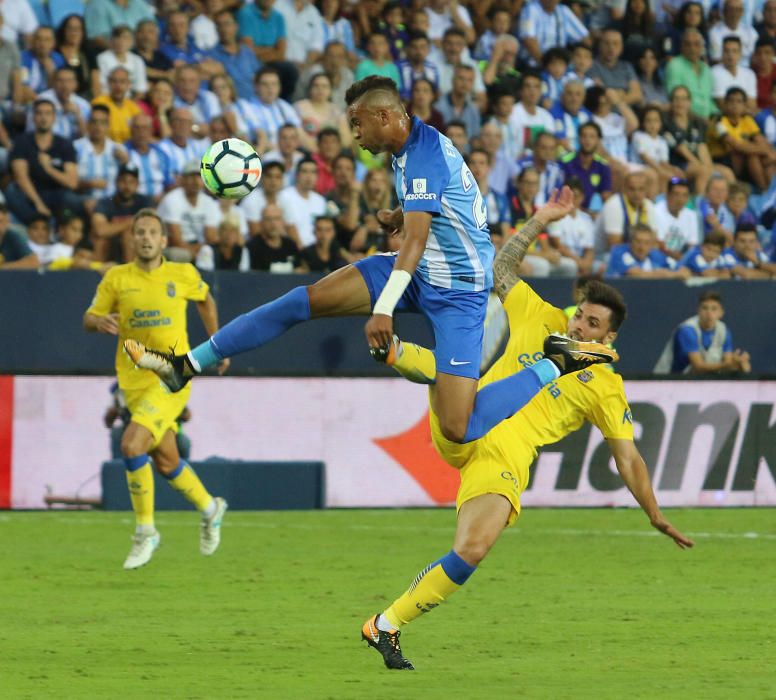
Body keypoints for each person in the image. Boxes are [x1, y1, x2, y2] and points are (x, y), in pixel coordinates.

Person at [125, 79, 616, 449]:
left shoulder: (420, 157)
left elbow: (417, 240)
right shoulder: (409, 148)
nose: (355, 136)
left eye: (358, 124)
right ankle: (186, 366)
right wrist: (401, 213)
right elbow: (431, 214)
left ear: (384, 117)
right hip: (420, 273)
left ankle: (557, 362)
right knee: (302, 302)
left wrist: (384, 307)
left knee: (458, 425)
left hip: (461, 294)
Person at [361, 201, 693, 671]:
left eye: (592, 324)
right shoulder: (544, 316)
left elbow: (629, 458)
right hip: (468, 420)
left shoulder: (605, 385)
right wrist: (539, 221)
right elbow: (500, 268)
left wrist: (654, 513)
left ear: (609, 338)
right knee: (454, 370)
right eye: (580, 315)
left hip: (503, 457)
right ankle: (393, 350)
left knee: (471, 551)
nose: (578, 324)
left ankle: (385, 625)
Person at [83, 208, 228, 570]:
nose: (146, 238)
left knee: (131, 444)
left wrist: (216, 344)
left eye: (152, 232)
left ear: (164, 240)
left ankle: (145, 531)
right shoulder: (116, 279)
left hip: (171, 377)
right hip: (133, 382)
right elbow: (88, 317)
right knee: (166, 461)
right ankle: (211, 508)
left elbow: (205, 301)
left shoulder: (182, 274)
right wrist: (98, 320)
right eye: (140, 232)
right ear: (132, 239)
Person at [6, 99, 80, 225]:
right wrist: (38, 203)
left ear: (54, 118)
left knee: (74, 201)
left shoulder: (64, 144)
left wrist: (48, 169)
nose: (43, 118)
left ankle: (46, 226)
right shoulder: (22, 142)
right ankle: (39, 224)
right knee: (11, 190)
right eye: (39, 113)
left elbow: (72, 182)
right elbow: (21, 177)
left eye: (48, 113)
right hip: (30, 194)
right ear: (33, 117)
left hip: (57, 194)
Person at [654, 291, 751, 374]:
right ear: (698, 311)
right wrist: (728, 364)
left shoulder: (724, 331)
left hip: (696, 383)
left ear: (721, 313)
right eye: (704, 308)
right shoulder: (687, 330)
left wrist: (739, 364)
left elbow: (727, 364)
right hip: (666, 381)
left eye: (714, 309)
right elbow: (699, 367)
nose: (709, 313)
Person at [708, 87, 776, 191]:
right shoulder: (718, 122)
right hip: (723, 161)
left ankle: (771, 194)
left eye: (739, 101)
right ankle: (764, 190)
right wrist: (768, 151)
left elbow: (762, 142)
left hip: (744, 162)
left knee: (767, 161)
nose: (735, 104)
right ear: (725, 104)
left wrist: (767, 152)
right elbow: (736, 145)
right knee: (752, 155)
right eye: (731, 101)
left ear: (744, 106)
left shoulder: (747, 120)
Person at [158, 159, 221, 260]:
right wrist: (195, 252)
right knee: (180, 254)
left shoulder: (209, 202)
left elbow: (211, 237)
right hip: (170, 246)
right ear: (182, 179)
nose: (196, 182)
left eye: (199, 177)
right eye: (191, 177)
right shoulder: (172, 199)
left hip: (199, 247)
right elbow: (175, 240)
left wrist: (200, 250)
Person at [91, 163, 153, 263]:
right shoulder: (106, 202)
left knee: (128, 235)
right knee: (99, 240)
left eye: (131, 182)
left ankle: (133, 274)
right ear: (116, 182)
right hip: (110, 246)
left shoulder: (145, 201)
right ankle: (97, 276)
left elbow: (151, 226)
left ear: (137, 184)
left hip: (137, 244)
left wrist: (114, 228)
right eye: (123, 181)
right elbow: (100, 230)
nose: (127, 186)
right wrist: (132, 222)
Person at [517, 0, 589, 67]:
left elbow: (585, 38)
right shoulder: (530, 9)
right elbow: (528, 39)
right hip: (533, 65)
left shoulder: (563, 11)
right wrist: (546, 65)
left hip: (559, 67)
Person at [560, 122, 612, 211]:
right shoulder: (564, 162)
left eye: (592, 137)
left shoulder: (603, 165)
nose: (587, 140)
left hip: (593, 214)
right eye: (584, 136)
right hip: (567, 210)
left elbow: (606, 195)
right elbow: (560, 194)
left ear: (598, 140)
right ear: (579, 139)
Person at [547, 177, 595, 275]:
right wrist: (579, 262)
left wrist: (586, 263)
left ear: (582, 197)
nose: (572, 200)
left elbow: (589, 248)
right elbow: (557, 244)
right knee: (572, 266)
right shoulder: (555, 215)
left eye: (576, 196)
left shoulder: (587, 219)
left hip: (581, 259)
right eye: (569, 196)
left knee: (601, 267)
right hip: (562, 257)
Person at [665, 29, 716, 120]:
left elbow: (709, 101)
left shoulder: (706, 69)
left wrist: (718, 118)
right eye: (688, 44)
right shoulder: (674, 65)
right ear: (682, 47)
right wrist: (702, 121)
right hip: (688, 119)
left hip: (708, 119)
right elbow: (677, 101)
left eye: (696, 44)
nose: (692, 48)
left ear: (701, 47)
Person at [606, 224, 690, 278]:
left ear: (651, 244)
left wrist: (670, 274)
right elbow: (636, 275)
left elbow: (684, 271)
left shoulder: (655, 254)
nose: (642, 247)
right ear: (630, 242)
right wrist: (663, 274)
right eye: (638, 241)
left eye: (647, 243)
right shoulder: (619, 252)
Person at [276, 157, 327, 247]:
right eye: (304, 171)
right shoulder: (284, 196)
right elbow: (286, 229)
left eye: (313, 172)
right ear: (297, 175)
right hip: (293, 249)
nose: (309, 176)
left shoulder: (320, 201)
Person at [124, 113, 174, 202]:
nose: (141, 132)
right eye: (137, 128)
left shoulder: (161, 154)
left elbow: (168, 183)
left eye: (145, 128)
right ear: (131, 130)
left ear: (151, 131)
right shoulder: (124, 152)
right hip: (134, 202)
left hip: (160, 200)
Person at [91, 66, 143, 143]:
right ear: (108, 83)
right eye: (114, 81)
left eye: (122, 82)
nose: (118, 85)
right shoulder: (98, 103)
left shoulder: (134, 108)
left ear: (128, 85)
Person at [653, 177, 699, 258]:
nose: (680, 199)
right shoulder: (656, 211)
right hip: (659, 257)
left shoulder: (691, 215)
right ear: (667, 195)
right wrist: (681, 259)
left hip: (681, 259)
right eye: (676, 194)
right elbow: (659, 244)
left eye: (684, 195)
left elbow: (692, 245)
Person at [712, 36, 757, 114]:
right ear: (722, 53)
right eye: (726, 51)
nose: (730, 55)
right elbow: (721, 103)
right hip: (723, 117)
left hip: (746, 117)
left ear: (740, 54)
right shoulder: (714, 72)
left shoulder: (749, 74)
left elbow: (752, 104)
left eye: (734, 51)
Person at [247, 203, 298, 272]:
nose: (273, 223)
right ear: (261, 222)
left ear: (283, 222)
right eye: (268, 219)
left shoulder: (290, 245)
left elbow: (299, 269)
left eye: (277, 219)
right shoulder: (252, 247)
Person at [434, 64, 481, 138]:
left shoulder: (474, 110)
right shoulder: (438, 107)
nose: (465, 83)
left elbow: (475, 138)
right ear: (453, 80)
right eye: (461, 78)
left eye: (469, 80)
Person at [397, 31, 440, 101]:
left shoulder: (433, 69)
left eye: (423, 47)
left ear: (428, 49)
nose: (419, 51)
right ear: (408, 49)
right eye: (414, 47)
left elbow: (434, 94)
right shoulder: (397, 67)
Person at [0, 204, 39, 269]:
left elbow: (34, 262)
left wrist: (3, 267)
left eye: (1, 221)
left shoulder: (12, 236)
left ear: (7, 221)